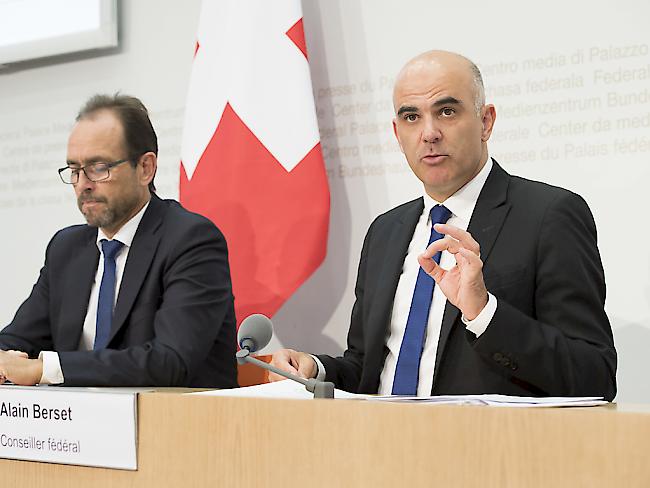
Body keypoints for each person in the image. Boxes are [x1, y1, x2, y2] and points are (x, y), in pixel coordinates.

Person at [269, 50, 617, 400]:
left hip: (486, 449)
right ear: (397, 133)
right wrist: (316, 368)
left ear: (486, 122)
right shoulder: (384, 232)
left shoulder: (549, 216)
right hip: (382, 446)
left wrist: (483, 313)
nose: (429, 133)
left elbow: (594, 375)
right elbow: (369, 368)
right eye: (411, 117)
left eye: (447, 112)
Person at [0, 94, 237, 387]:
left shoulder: (190, 240)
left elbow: (171, 361)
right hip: (75, 429)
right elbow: (18, 340)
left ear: (145, 168)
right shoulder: (66, 248)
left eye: (99, 168)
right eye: (74, 170)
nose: (83, 184)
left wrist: (46, 369)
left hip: (176, 426)